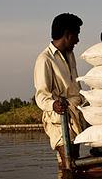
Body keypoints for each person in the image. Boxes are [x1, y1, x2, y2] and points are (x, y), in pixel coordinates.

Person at [34, 13, 86, 169]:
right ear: (67, 35)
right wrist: (54, 104)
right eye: (76, 35)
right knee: (68, 165)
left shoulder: (70, 55)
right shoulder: (45, 59)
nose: (77, 40)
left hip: (74, 113)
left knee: (73, 160)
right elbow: (41, 95)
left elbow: (74, 86)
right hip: (59, 117)